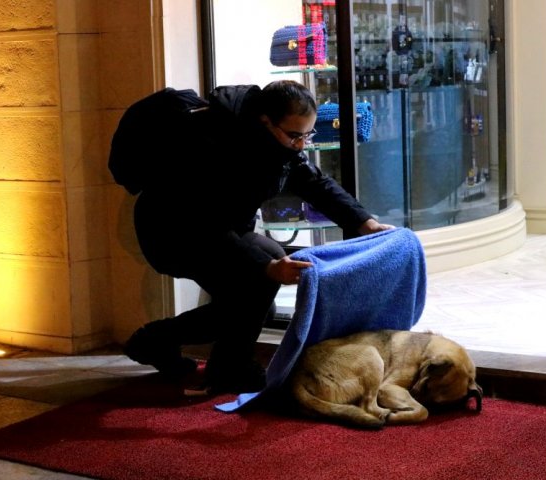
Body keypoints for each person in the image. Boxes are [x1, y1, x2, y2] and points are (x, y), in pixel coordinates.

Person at [124, 79, 393, 393]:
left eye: (308, 134)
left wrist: (365, 222)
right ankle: (222, 366)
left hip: (221, 229)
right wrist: (265, 268)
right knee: (256, 283)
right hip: (174, 232)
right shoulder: (215, 145)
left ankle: (160, 343)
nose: (302, 144)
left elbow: (313, 182)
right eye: (295, 135)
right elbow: (208, 224)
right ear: (265, 121)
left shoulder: (271, 140)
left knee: (250, 298)